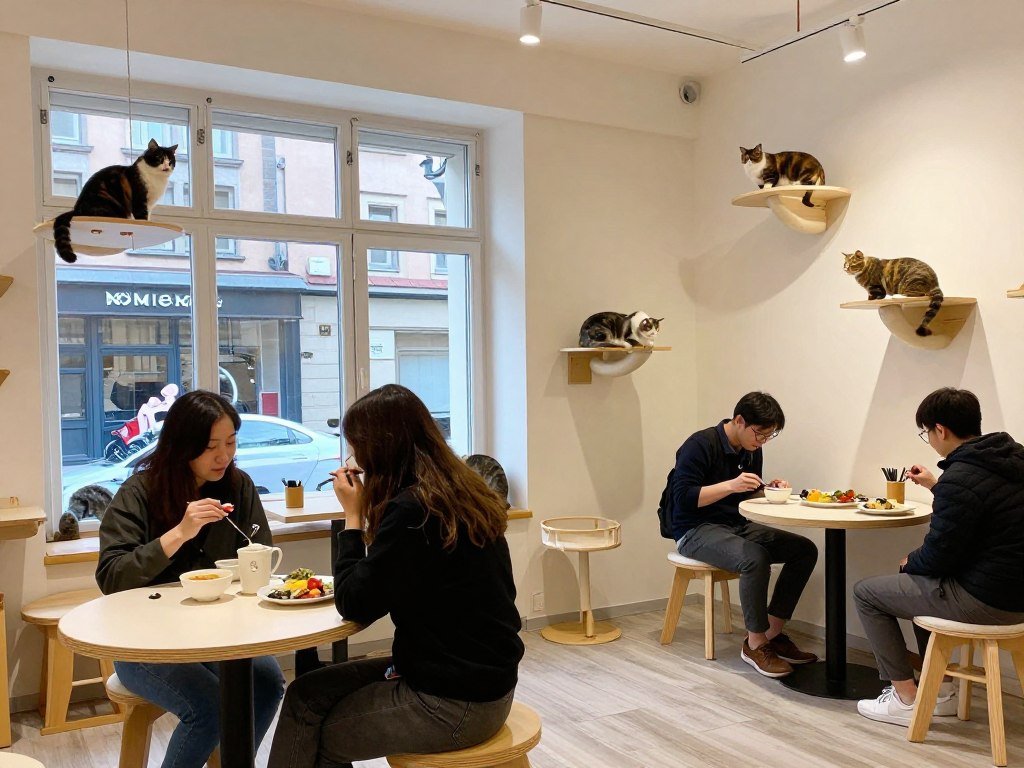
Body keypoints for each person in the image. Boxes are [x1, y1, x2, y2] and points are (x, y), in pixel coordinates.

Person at [268, 384, 524, 768]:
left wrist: (352, 518)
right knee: (306, 694)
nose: (355, 458)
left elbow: (355, 602)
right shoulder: (460, 490)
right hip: (480, 679)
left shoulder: (415, 510)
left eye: (357, 446)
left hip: (456, 701)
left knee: (313, 728)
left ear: (382, 447)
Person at [96, 390, 285, 768]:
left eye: (230, 443)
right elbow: (112, 576)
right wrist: (180, 532)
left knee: (267, 684)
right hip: (143, 641)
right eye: (210, 446)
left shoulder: (238, 486)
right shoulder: (140, 492)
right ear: (183, 444)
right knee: (211, 707)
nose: (223, 456)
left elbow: (259, 551)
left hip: (217, 634)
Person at [854, 388, 1024, 725]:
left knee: (868, 592)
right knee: (922, 582)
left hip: (986, 600)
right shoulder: (1011, 460)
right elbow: (984, 511)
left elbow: (938, 557)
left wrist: (909, 561)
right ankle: (942, 693)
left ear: (940, 430)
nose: (929, 440)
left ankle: (905, 699)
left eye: (926, 433)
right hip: (1016, 594)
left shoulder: (961, 477)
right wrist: (937, 486)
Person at [667, 391, 819, 678]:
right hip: (694, 529)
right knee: (754, 557)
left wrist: (768, 488)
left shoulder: (751, 449)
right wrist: (730, 485)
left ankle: (772, 634)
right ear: (739, 420)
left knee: (804, 549)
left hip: (733, 525)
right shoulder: (699, 444)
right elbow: (684, 499)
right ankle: (755, 643)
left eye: (768, 437)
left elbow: (746, 492)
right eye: (760, 434)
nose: (761, 442)